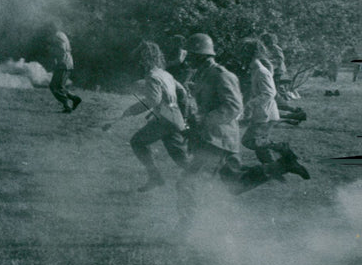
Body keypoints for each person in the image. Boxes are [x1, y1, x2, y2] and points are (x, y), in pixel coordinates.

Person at [175, 33, 310, 230]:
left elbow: (233, 107)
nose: (188, 59)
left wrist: (203, 120)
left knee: (188, 183)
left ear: (201, 55)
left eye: (191, 55)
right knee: (235, 183)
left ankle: (185, 231)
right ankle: (281, 165)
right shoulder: (204, 75)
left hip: (218, 141)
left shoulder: (221, 75)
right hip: (213, 139)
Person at [120, 41, 189, 192]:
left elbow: (153, 100)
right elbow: (183, 92)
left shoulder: (151, 76)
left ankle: (155, 177)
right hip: (175, 118)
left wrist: (131, 110)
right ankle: (206, 180)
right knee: (179, 156)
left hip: (164, 119)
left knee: (137, 142)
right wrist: (183, 115)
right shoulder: (166, 74)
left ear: (143, 60)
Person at [237, 38, 280, 167]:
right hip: (263, 113)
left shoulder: (261, 72)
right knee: (260, 147)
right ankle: (273, 171)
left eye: (244, 55)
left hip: (266, 114)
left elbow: (269, 93)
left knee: (250, 141)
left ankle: (280, 148)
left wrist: (250, 104)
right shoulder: (256, 70)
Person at [48, 27, 82, 113]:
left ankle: (67, 106)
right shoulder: (61, 34)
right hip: (66, 63)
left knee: (56, 86)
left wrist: (57, 61)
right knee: (58, 86)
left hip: (63, 64)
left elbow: (62, 49)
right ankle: (74, 99)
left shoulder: (57, 36)